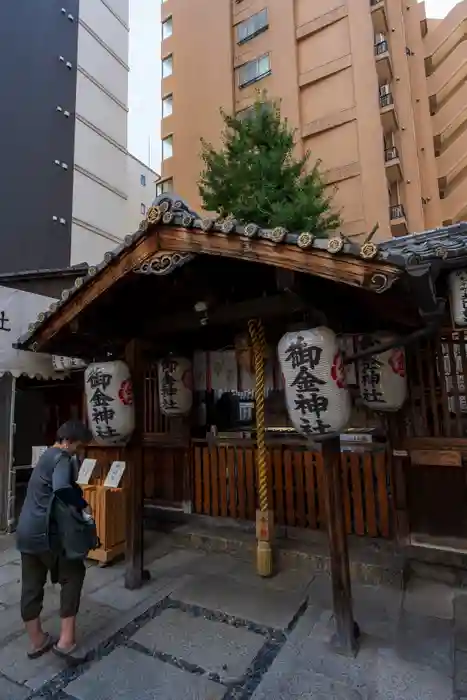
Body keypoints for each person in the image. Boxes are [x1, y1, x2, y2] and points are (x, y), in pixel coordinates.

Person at [16, 420, 93, 660]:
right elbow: (61, 488)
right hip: (48, 534)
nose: (78, 452)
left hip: (25, 532)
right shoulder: (61, 458)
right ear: (68, 442)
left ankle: (37, 641)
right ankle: (66, 641)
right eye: (78, 447)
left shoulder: (45, 456)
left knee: (31, 586)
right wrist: (82, 503)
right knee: (73, 573)